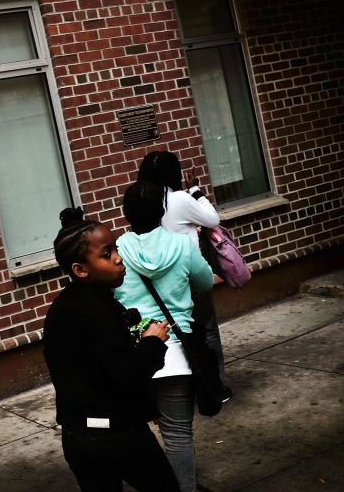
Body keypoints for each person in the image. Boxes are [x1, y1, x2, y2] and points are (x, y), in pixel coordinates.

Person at [43, 207, 180, 492]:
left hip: (76, 434)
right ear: (80, 269)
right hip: (118, 435)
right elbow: (127, 376)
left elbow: (85, 369)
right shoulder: (101, 312)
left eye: (116, 248)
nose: (118, 258)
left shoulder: (61, 308)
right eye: (106, 254)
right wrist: (153, 341)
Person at [114, 180, 214, 492]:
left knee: (133, 432)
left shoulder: (116, 253)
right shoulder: (183, 246)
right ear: (162, 211)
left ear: (126, 213)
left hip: (134, 355)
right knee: (178, 434)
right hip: (175, 355)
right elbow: (205, 284)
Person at [137, 150, 232, 400]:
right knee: (207, 330)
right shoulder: (179, 198)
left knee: (176, 332)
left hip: (160, 280)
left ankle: (183, 386)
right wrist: (196, 190)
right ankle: (215, 386)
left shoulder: (144, 201)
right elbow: (213, 218)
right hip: (190, 274)